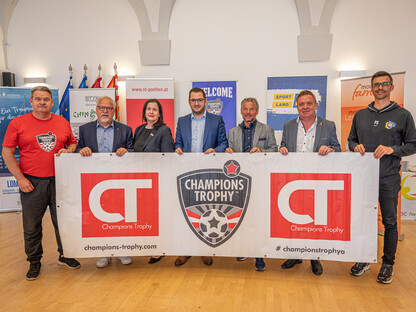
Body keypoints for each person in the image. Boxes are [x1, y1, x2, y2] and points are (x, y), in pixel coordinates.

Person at [2, 86, 81, 281]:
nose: (42, 102)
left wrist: (70, 150)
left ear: (52, 102)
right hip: (32, 182)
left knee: (62, 222)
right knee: (32, 225)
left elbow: (72, 143)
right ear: (31, 101)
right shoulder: (18, 123)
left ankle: (65, 254)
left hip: (60, 181)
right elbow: (7, 152)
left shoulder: (62, 122)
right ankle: (34, 261)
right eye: (38, 99)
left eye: (46, 99)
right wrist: (20, 179)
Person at [348, 71, 416, 284]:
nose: (380, 88)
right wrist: (354, 146)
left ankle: (388, 264)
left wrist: (391, 149)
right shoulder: (361, 114)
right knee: (363, 221)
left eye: (384, 84)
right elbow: (351, 140)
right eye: (376, 84)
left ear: (391, 87)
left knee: (389, 222)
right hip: (364, 178)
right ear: (371, 88)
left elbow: (412, 145)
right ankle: (364, 258)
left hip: (388, 178)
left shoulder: (402, 115)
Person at [279, 89, 341, 275]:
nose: (305, 107)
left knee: (314, 221)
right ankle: (295, 254)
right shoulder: (288, 125)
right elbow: (283, 145)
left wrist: (329, 149)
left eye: (308, 103)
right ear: (296, 106)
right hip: (293, 181)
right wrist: (282, 149)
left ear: (315, 105)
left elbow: (337, 149)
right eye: (301, 104)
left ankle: (314, 257)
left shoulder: (328, 125)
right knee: (294, 219)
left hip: (317, 180)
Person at [77, 95, 134, 268]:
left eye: (109, 108)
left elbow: (132, 150)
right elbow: (79, 148)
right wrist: (82, 150)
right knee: (99, 217)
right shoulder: (85, 129)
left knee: (120, 216)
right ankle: (104, 252)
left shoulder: (125, 129)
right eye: (102, 108)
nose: (105, 111)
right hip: (94, 180)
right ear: (96, 109)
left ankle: (122, 249)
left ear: (114, 111)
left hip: (119, 179)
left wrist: (127, 151)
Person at [174, 87, 228, 266]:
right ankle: (185, 250)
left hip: (208, 174)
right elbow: (178, 143)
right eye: (193, 100)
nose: (196, 103)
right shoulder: (181, 121)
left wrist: (215, 150)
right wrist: (177, 149)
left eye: (199, 100)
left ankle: (206, 250)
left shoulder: (217, 120)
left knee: (206, 212)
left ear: (205, 101)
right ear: (189, 102)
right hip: (187, 173)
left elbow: (223, 144)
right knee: (185, 213)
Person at [226, 97, 278, 271]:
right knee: (242, 217)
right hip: (239, 182)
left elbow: (274, 151)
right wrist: (228, 152)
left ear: (257, 111)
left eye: (251, 109)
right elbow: (229, 154)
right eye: (245, 109)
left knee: (258, 219)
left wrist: (261, 151)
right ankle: (244, 248)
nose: (248, 112)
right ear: (241, 111)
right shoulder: (232, 132)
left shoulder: (267, 129)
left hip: (260, 181)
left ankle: (259, 256)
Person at [133, 99, 174, 264]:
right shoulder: (139, 129)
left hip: (158, 180)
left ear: (160, 113)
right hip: (140, 179)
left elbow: (168, 156)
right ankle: (148, 244)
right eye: (148, 109)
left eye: (155, 109)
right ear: (144, 112)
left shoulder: (164, 130)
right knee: (145, 215)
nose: (151, 112)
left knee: (157, 215)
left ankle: (159, 248)